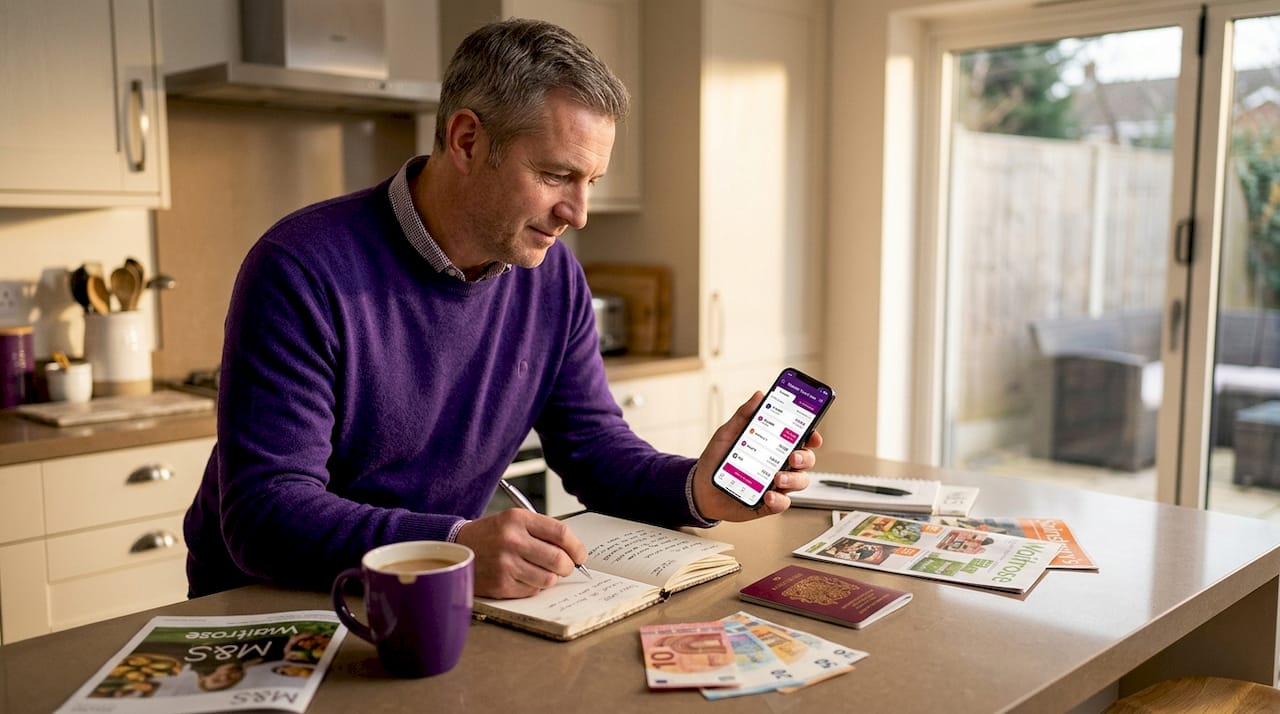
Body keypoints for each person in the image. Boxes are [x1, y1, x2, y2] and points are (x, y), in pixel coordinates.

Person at [182, 18, 823, 600]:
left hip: (432, 593)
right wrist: (456, 544)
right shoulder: (301, 266)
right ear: (466, 140)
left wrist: (699, 489)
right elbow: (265, 514)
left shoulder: (551, 277)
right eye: (554, 176)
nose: (579, 214)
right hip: (270, 603)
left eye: (590, 182)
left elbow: (595, 451)